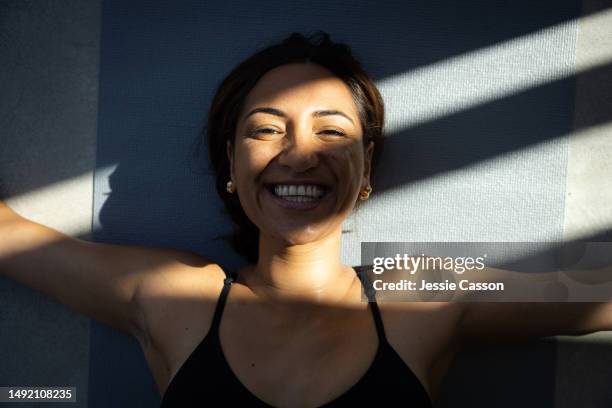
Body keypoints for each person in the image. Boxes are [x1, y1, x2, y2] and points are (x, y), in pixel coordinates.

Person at [0, 31, 610, 408]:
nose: (299, 153)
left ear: (365, 168)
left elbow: (601, 288)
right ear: (231, 167)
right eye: (267, 129)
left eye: (332, 131)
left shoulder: (418, 290)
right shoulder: (172, 294)